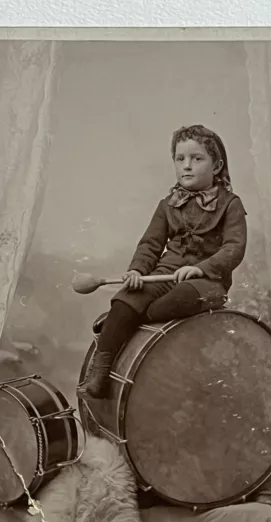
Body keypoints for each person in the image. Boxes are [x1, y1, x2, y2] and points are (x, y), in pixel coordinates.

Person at [77, 124, 248, 399]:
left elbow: (234, 249)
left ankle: (126, 321)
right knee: (125, 299)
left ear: (216, 166)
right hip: (164, 274)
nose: (187, 166)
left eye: (197, 158)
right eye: (180, 159)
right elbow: (150, 245)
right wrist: (136, 271)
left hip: (207, 283)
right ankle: (100, 372)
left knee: (172, 302)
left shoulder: (231, 204)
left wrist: (200, 268)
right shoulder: (167, 204)